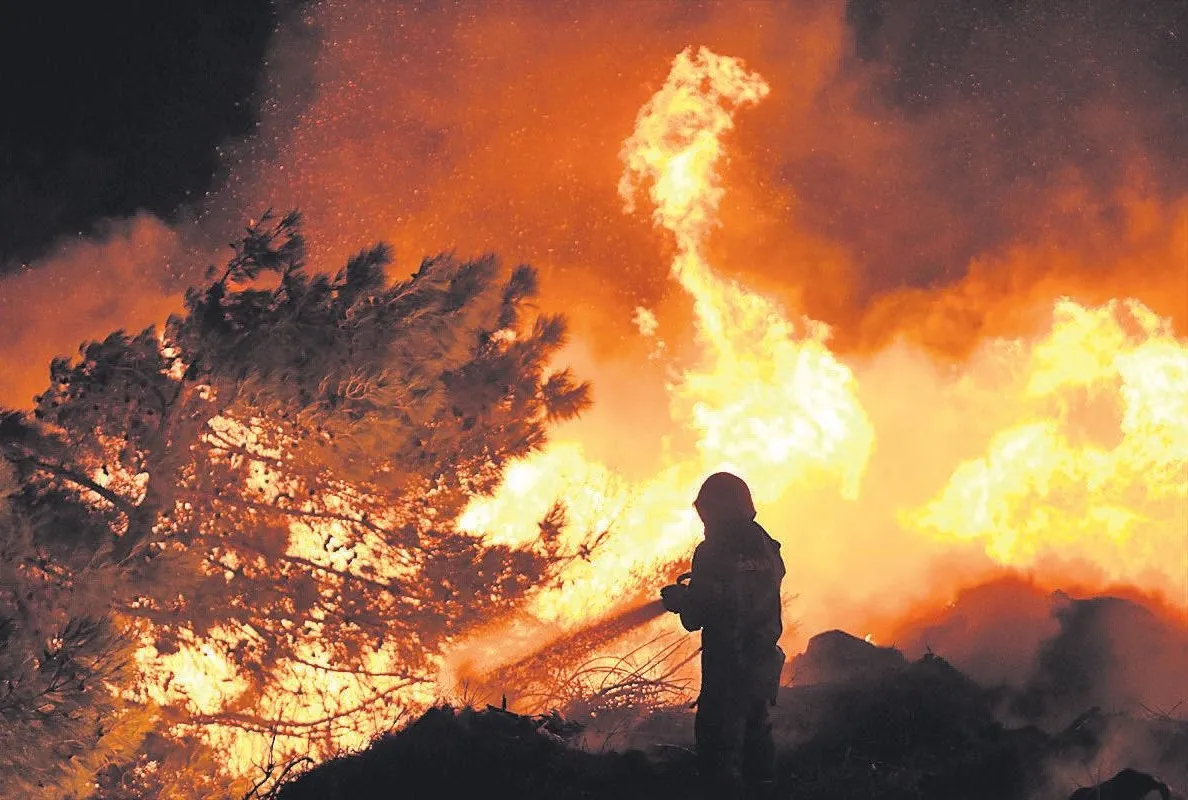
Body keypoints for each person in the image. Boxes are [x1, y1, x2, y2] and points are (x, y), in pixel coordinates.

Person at [660, 472, 786, 799]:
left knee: (719, 759)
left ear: (718, 509)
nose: (703, 521)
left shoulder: (713, 549)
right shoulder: (768, 547)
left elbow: (697, 615)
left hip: (726, 670)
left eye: (706, 512)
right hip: (761, 664)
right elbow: (742, 595)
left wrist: (680, 600)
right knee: (758, 751)